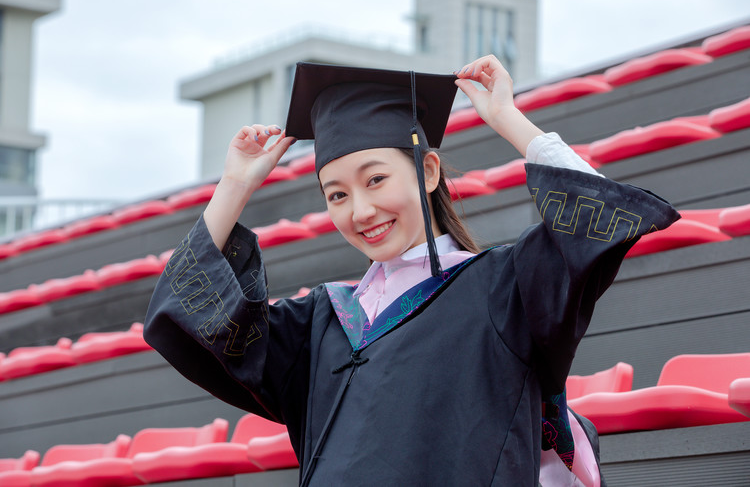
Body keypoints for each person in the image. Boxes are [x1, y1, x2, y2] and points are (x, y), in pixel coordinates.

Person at [144, 55, 679, 486]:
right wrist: (235, 186)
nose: (359, 211)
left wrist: (508, 120)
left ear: (427, 170)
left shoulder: (502, 290)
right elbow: (187, 320)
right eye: (337, 194)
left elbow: (600, 218)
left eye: (375, 180)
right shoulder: (320, 326)